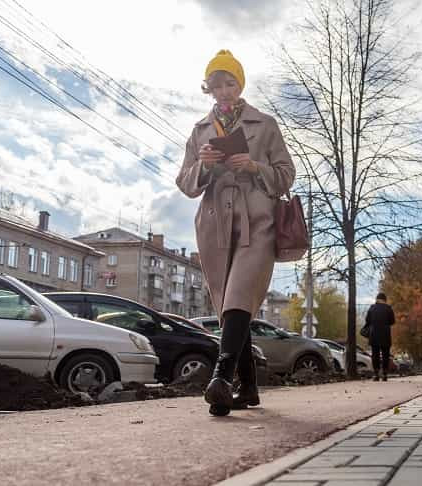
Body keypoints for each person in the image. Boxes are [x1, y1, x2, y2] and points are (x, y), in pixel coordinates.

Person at [176, 49, 295, 416]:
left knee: (240, 293)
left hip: (256, 220)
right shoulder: (199, 131)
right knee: (228, 305)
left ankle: (222, 377)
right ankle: (249, 388)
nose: (224, 91)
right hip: (214, 226)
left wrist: (255, 165)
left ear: (240, 85)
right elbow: (185, 182)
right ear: (208, 89)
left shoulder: (265, 124)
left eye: (230, 83)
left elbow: (286, 174)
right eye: (216, 85)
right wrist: (205, 166)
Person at [366, 292, 395, 381]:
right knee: (385, 355)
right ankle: (385, 374)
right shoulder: (388, 308)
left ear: (377, 299)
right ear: (385, 300)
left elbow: (367, 320)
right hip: (385, 335)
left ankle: (376, 374)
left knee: (375, 355)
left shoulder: (372, 308)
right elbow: (392, 321)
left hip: (374, 334)